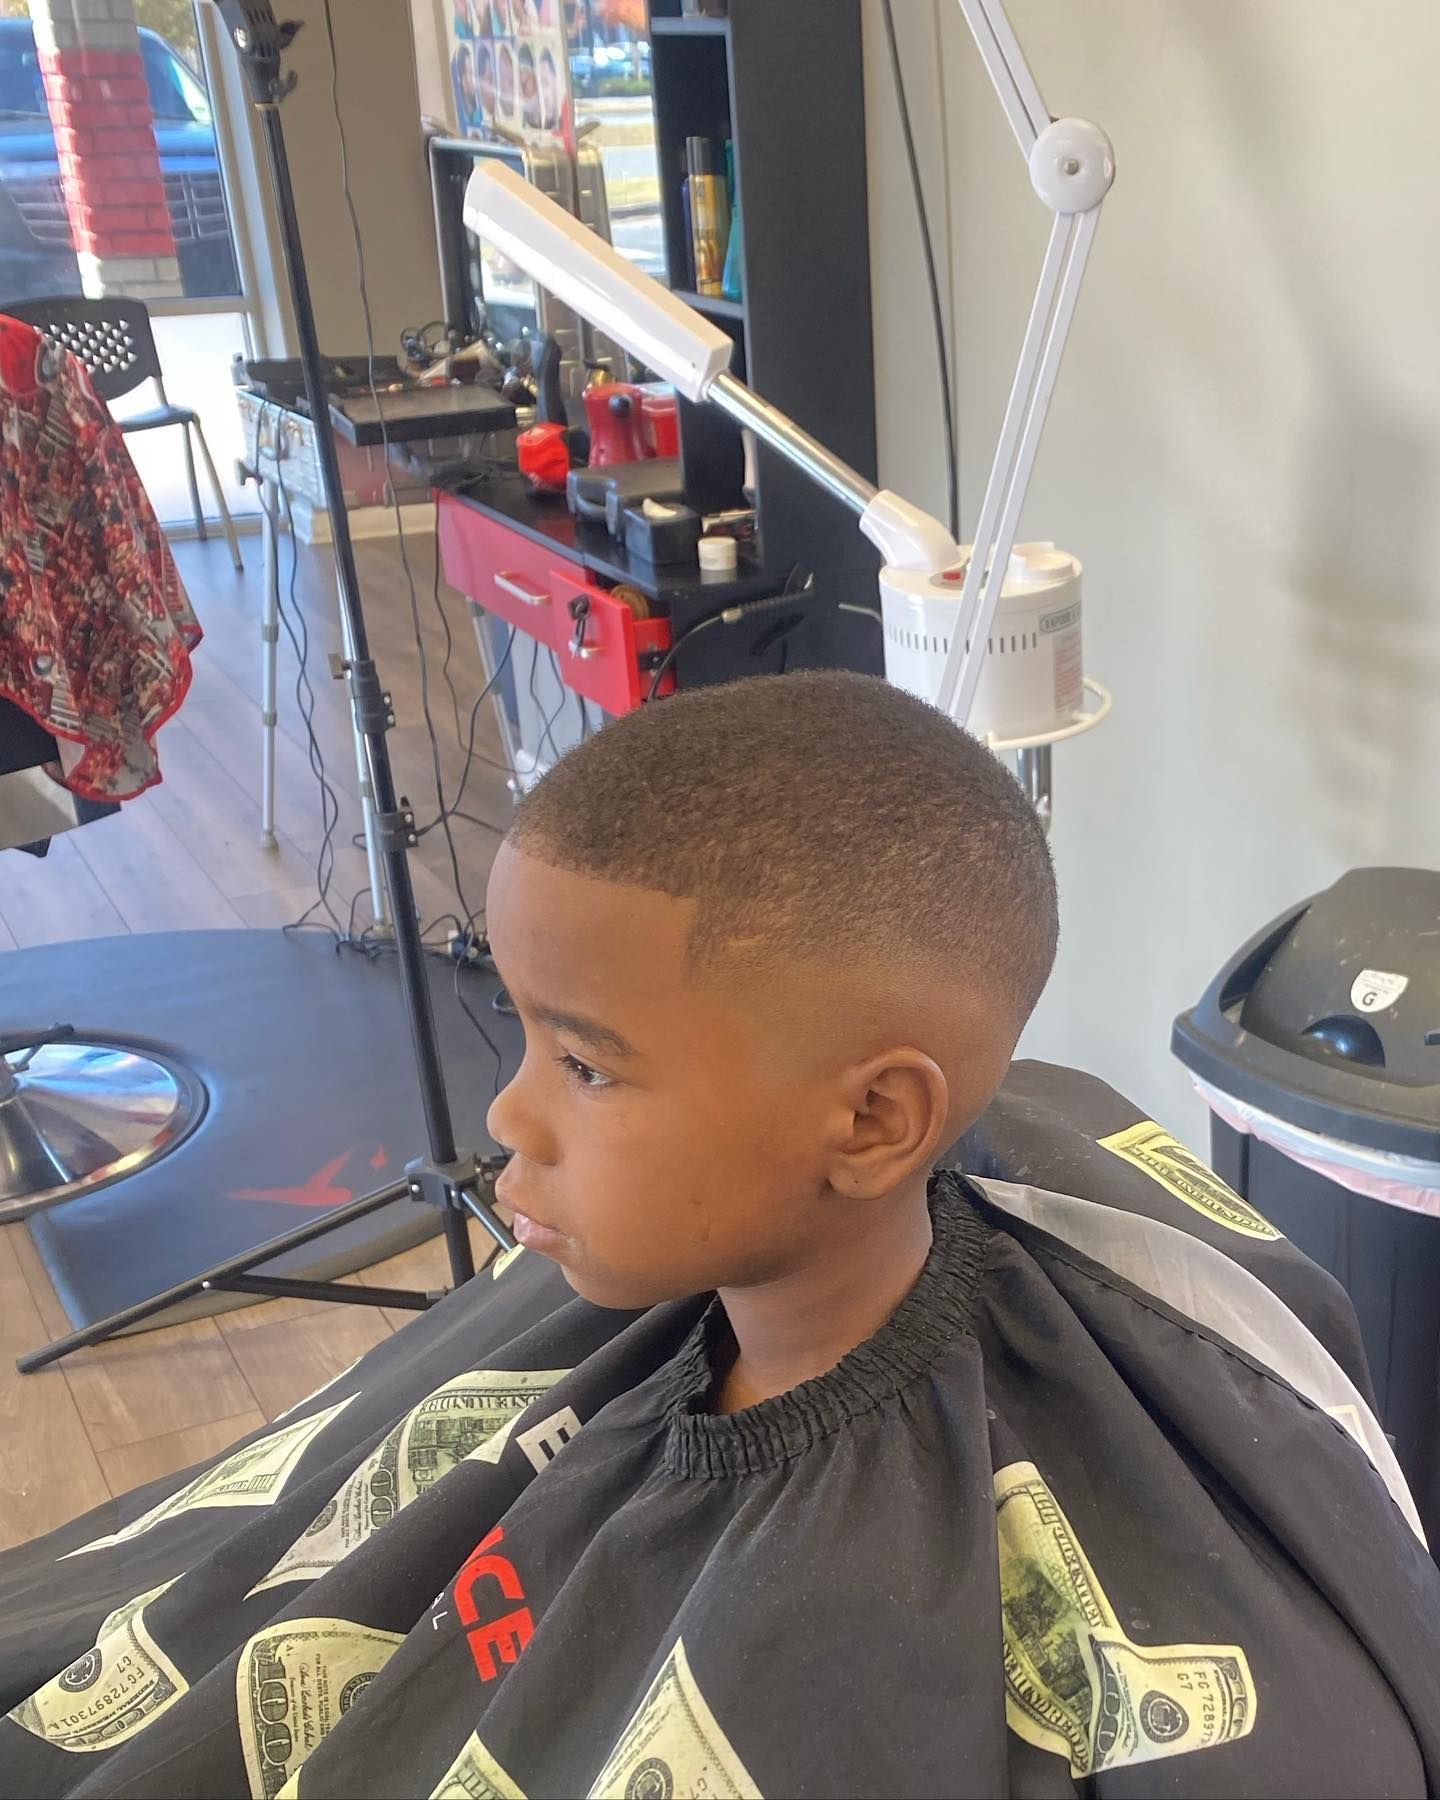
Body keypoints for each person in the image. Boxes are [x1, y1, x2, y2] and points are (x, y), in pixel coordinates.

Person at [1, 673, 1438, 1799]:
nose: (510, 1115)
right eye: (523, 1033)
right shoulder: (657, 1281)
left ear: (877, 1126)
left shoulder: (946, 1606)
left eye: (589, 1065)